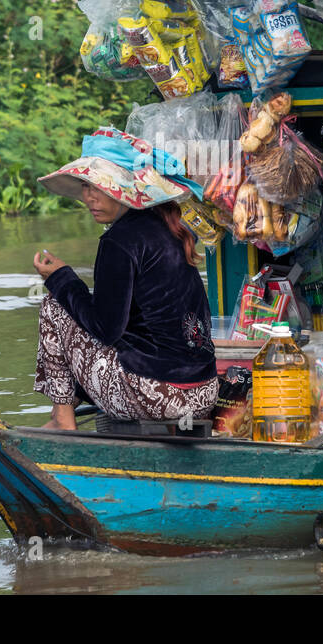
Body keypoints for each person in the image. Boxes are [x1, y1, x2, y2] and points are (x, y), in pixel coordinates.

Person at [31, 127, 218, 430]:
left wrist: (62, 277)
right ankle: (71, 409)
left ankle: (61, 418)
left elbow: (106, 329)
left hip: (156, 396)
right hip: (203, 393)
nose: (88, 197)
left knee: (55, 304)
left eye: (97, 187)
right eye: (84, 187)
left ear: (122, 188)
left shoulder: (118, 241)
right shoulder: (167, 226)